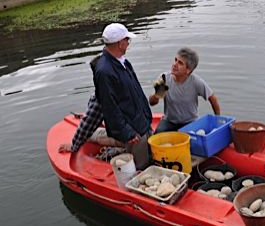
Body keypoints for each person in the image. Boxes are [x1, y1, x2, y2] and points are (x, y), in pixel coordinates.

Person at [93, 23, 153, 170]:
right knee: (140, 166)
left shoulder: (123, 62)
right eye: (127, 40)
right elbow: (110, 107)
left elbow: (136, 92)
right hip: (132, 129)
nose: (128, 43)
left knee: (149, 156)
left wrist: (146, 116)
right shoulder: (104, 71)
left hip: (140, 122)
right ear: (120, 43)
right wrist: (126, 133)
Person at [149, 47, 220, 133]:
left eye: (180, 63)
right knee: (156, 137)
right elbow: (151, 103)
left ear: (188, 70)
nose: (174, 64)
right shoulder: (163, 78)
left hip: (190, 122)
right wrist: (158, 94)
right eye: (175, 60)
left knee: (194, 143)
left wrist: (217, 121)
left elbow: (213, 99)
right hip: (169, 121)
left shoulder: (196, 82)